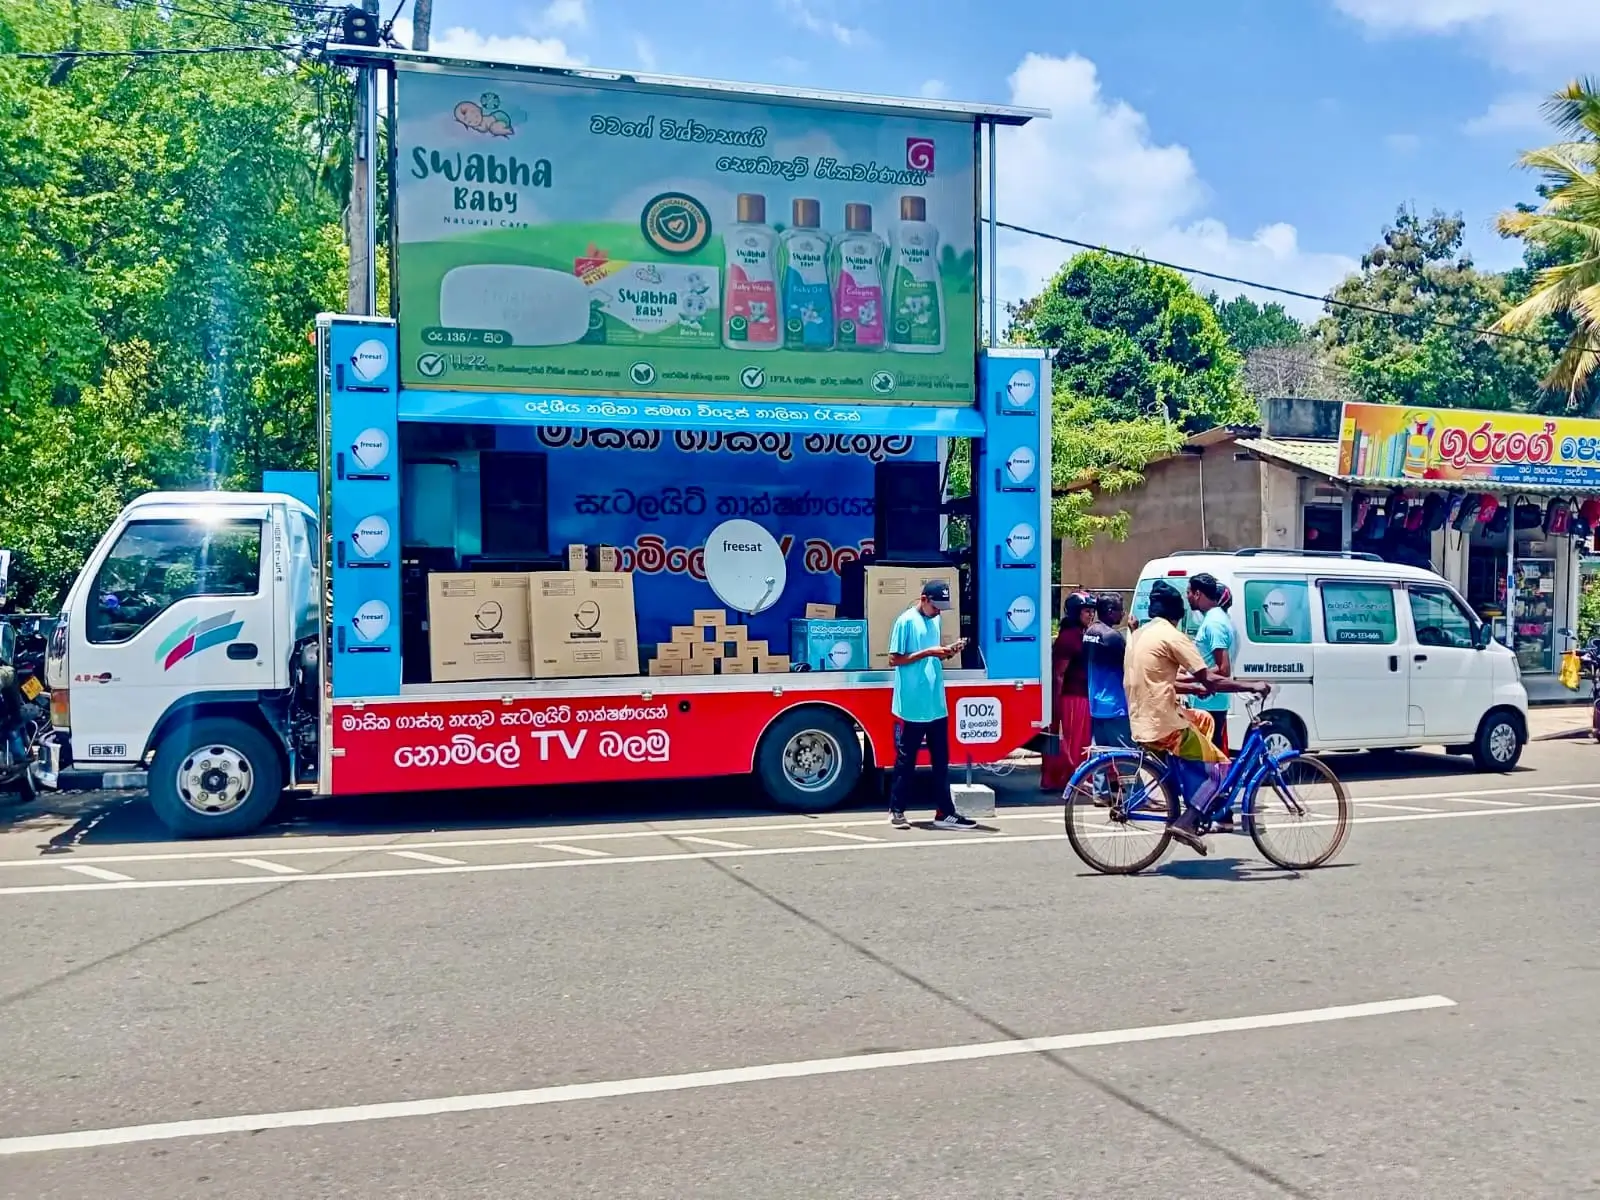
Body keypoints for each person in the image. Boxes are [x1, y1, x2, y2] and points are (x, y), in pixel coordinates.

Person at [1126, 580, 1269, 855]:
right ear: (1177, 616)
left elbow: (1161, 680)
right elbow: (1213, 677)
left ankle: (1192, 787)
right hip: (1164, 724)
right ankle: (1188, 820)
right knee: (1221, 769)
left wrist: (1194, 688)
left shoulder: (1140, 635)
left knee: (1204, 720)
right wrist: (1251, 685)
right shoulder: (1173, 636)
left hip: (1142, 716)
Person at [886, 580, 977, 831]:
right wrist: (928, 652)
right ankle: (897, 810)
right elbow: (895, 659)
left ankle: (945, 812)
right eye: (935, 606)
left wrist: (947, 652)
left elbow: (933, 653)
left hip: (936, 701)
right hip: (913, 703)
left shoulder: (934, 620)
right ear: (924, 599)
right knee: (907, 759)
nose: (938, 612)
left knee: (941, 761)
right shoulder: (905, 621)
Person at [1083, 593, 1137, 803]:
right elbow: (1131, 662)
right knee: (1126, 754)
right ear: (1109, 611)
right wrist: (1134, 632)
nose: (1122, 613)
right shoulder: (1113, 637)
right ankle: (1134, 795)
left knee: (1100, 752)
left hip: (1096, 702)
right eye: (1119, 609)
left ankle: (1101, 793)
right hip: (1115, 704)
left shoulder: (1090, 632)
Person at [1041, 592, 1095, 792]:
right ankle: (1072, 778)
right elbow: (1058, 673)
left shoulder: (1080, 634)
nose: (1091, 615)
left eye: (1092, 611)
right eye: (1086, 611)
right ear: (1075, 612)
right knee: (1073, 740)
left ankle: (1072, 778)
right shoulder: (1069, 637)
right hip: (1070, 697)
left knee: (1079, 740)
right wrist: (1055, 704)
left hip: (1079, 694)